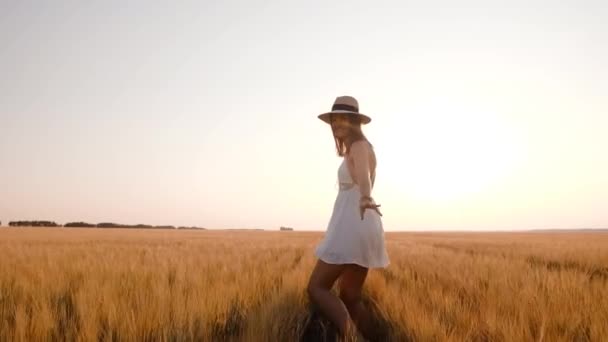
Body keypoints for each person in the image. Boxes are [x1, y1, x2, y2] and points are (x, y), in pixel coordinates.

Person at [307, 95, 390, 340]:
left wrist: (366, 197)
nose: (337, 124)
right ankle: (378, 338)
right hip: (361, 224)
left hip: (353, 224)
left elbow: (363, 177)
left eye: (344, 119)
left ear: (356, 122)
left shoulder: (359, 147)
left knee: (316, 287)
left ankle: (351, 337)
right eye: (335, 119)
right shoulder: (357, 148)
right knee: (350, 297)